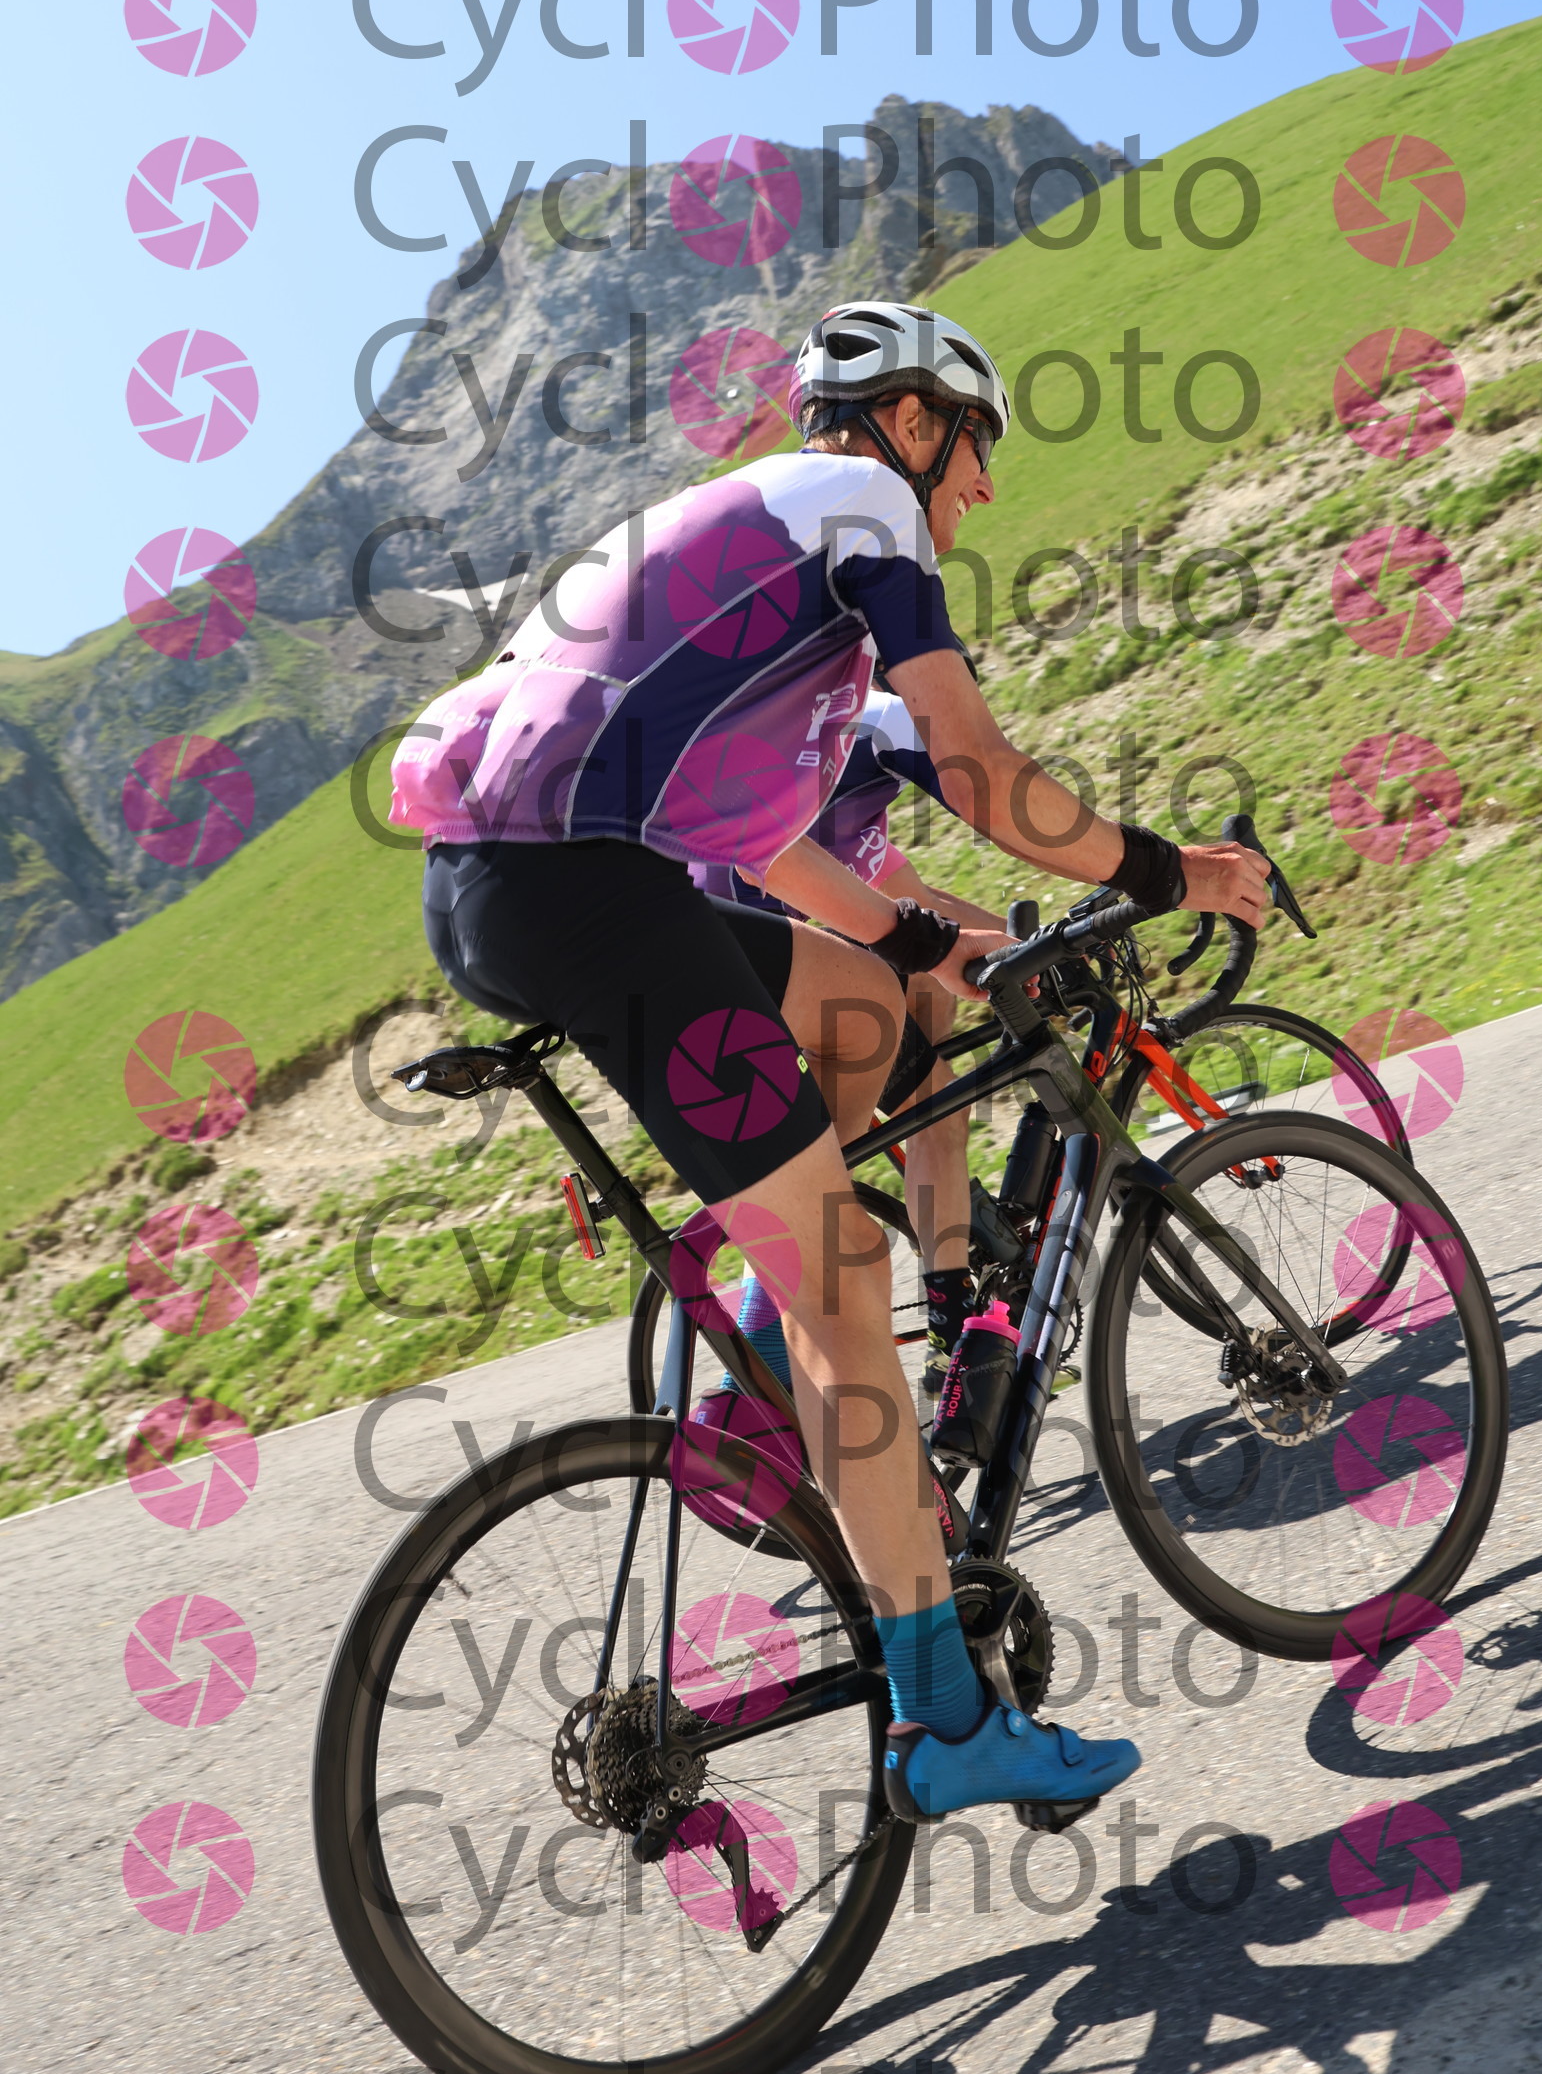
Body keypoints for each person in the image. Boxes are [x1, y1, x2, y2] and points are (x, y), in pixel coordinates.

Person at [390, 299, 1268, 1823]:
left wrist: (928, 947)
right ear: (911, 423)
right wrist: (1165, 870)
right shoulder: (865, 508)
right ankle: (946, 1719)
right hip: (583, 892)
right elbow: (977, 768)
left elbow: (772, 852)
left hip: (510, 884)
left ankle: (767, 1342)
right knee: (847, 1282)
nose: (981, 484)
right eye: (973, 445)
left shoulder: (762, 532)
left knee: (867, 1013)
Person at [691, 672, 1000, 1400]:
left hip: (716, 961)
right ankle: (952, 1336)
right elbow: (994, 797)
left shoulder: (843, 800)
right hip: (784, 972)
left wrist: (1043, 940)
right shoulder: (884, 719)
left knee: (925, 1021)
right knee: (937, 1116)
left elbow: (924, 906)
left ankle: (950, 1220)